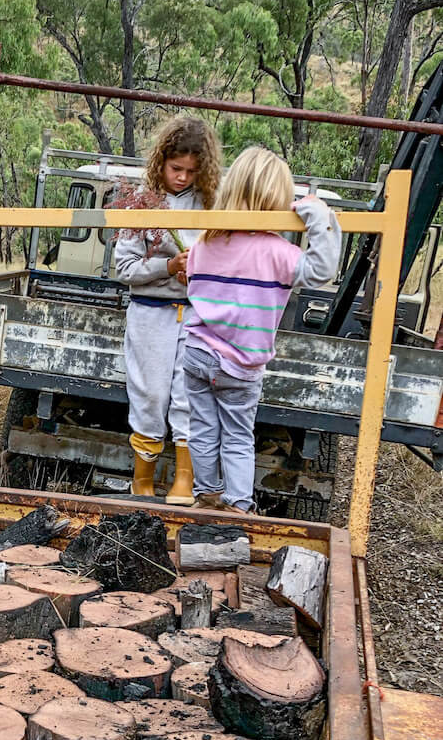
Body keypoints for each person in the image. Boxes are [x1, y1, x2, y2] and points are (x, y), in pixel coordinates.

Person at [183, 146, 342, 514]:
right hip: (240, 363)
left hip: (197, 352)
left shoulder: (206, 242)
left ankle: (207, 494)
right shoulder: (277, 252)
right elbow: (321, 271)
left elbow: (193, 280)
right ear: (280, 201)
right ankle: (239, 505)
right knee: (237, 435)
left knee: (203, 428)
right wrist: (319, 216)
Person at [114, 116, 222, 503]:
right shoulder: (143, 200)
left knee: (188, 396)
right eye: (176, 168)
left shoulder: (212, 203)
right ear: (161, 162)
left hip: (196, 315)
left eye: (192, 171)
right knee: (151, 395)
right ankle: (141, 479)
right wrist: (168, 268)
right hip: (150, 313)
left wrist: (202, 272)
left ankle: (184, 478)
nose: (182, 177)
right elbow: (125, 268)